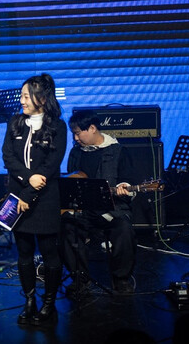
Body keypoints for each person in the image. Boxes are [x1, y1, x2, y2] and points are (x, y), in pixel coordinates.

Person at [2, 73, 67, 326]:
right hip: (18, 196)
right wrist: (28, 180)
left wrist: (28, 194)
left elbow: (51, 165)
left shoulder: (58, 127)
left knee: (50, 253)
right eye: (22, 96)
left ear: (42, 98)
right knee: (24, 252)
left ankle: (49, 304)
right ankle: (29, 301)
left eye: (26, 96)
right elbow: (8, 157)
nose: (22, 101)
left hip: (45, 199)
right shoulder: (15, 122)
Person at [60, 109, 138, 295]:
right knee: (66, 227)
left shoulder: (118, 151)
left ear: (92, 128)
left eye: (78, 133)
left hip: (111, 210)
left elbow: (129, 182)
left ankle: (121, 279)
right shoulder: (76, 152)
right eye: (73, 134)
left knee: (124, 229)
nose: (75, 138)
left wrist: (124, 188)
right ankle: (80, 278)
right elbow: (72, 179)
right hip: (83, 211)